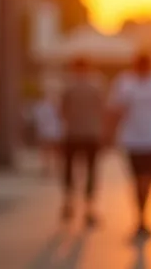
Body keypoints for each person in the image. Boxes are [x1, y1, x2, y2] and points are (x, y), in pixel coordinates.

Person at [107, 51, 151, 238]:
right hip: (131, 139)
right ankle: (140, 218)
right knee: (137, 181)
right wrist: (110, 133)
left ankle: (144, 217)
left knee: (149, 180)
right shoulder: (125, 83)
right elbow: (115, 110)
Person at [59, 56, 105, 225]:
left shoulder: (68, 85)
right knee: (91, 171)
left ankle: (68, 203)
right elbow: (103, 109)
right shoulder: (96, 85)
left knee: (69, 169)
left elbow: (62, 110)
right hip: (92, 133)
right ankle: (89, 208)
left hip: (72, 133)